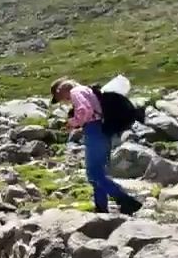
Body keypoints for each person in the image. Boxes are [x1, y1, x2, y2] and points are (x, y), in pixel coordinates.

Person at [50, 77, 142, 215]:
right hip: (102, 130)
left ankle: (126, 200)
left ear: (60, 90)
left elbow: (84, 111)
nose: (64, 101)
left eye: (59, 97)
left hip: (94, 130)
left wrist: (72, 123)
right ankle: (101, 208)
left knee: (93, 173)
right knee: (98, 173)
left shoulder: (76, 91)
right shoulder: (88, 91)